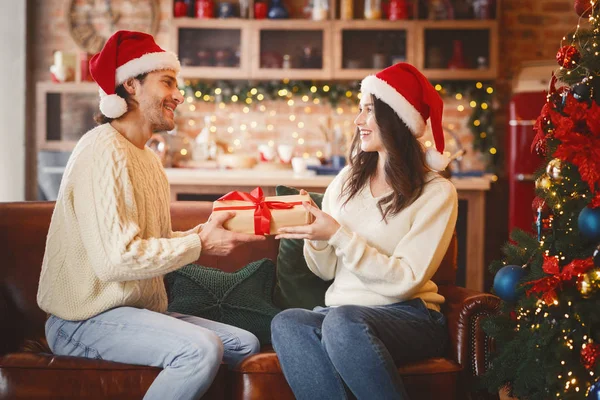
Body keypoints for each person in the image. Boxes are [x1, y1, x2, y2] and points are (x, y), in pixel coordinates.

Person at [37, 30, 265, 400]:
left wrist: (203, 233)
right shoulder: (102, 150)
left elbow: (148, 240)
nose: (178, 95)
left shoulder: (147, 159)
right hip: (83, 320)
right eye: (167, 82)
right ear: (131, 84)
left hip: (133, 313)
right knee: (201, 348)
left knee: (244, 343)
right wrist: (198, 243)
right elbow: (118, 259)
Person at [271, 62, 458, 400]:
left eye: (369, 111)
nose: (359, 121)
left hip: (409, 315)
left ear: (396, 118)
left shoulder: (436, 193)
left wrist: (339, 235)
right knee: (288, 323)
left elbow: (407, 279)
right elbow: (327, 270)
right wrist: (318, 237)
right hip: (341, 315)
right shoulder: (346, 181)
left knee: (343, 323)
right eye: (360, 110)